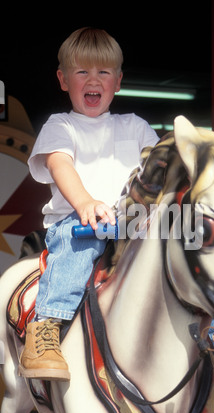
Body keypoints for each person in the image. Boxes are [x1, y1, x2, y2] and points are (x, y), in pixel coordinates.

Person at [19, 27, 159, 381]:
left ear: (118, 81)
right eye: (82, 72)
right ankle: (46, 327)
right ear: (63, 80)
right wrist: (84, 203)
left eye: (103, 72)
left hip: (130, 226)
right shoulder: (61, 126)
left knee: (188, 250)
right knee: (80, 243)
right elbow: (59, 164)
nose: (93, 80)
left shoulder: (137, 127)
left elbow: (158, 168)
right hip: (79, 223)